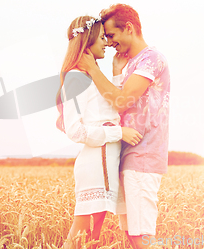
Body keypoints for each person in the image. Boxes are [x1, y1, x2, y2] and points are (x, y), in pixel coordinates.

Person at [77, 4, 170, 249]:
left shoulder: (151, 58)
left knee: (143, 237)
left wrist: (93, 69)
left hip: (143, 157)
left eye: (111, 35)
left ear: (128, 28)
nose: (108, 43)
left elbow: (121, 101)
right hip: (128, 157)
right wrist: (116, 73)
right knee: (133, 235)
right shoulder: (132, 64)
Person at [56, 15, 143, 249]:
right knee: (81, 238)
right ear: (88, 40)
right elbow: (75, 130)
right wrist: (119, 133)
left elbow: (113, 105)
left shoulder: (89, 77)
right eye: (102, 37)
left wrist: (115, 72)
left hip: (105, 163)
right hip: (97, 164)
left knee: (90, 240)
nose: (106, 42)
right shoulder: (76, 78)